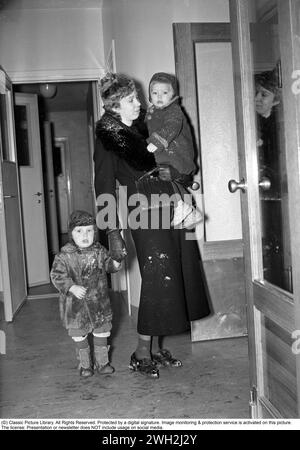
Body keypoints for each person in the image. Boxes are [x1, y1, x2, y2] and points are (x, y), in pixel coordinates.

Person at [94, 73, 210, 379]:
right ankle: (141, 352)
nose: (140, 103)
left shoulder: (147, 128)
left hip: (172, 208)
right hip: (143, 213)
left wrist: (180, 175)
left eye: (137, 97)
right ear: (115, 106)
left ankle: (156, 348)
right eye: (132, 99)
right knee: (158, 276)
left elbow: (175, 161)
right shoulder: (109, 137)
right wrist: (111, 232)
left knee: (178, 271)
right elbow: (103, 186)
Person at [50, 210, 122, 378]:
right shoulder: (64, 256)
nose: (85, 235)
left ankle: (102, 363)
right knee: (79, 335)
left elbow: (109, 266)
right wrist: (71, 287)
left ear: (94, 233)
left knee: (102, 332)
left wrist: (116, 261)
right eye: (79, 231)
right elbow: (56, 275)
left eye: (89, 230)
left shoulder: (100, 251)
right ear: (71, 234)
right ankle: (85, 365)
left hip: (99, 303)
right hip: (76, 307)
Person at [146, 72, 202, 228]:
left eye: (165, 92)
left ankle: (181, 206)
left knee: (166, 178)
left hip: (176, 155)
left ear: (173, 94)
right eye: (154, 92)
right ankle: (190, 211)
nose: (159, 96)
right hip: (166, 154)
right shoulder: (152, 112)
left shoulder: (173, 110)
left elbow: (172, 126)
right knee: (169, 182)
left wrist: (155, 142)